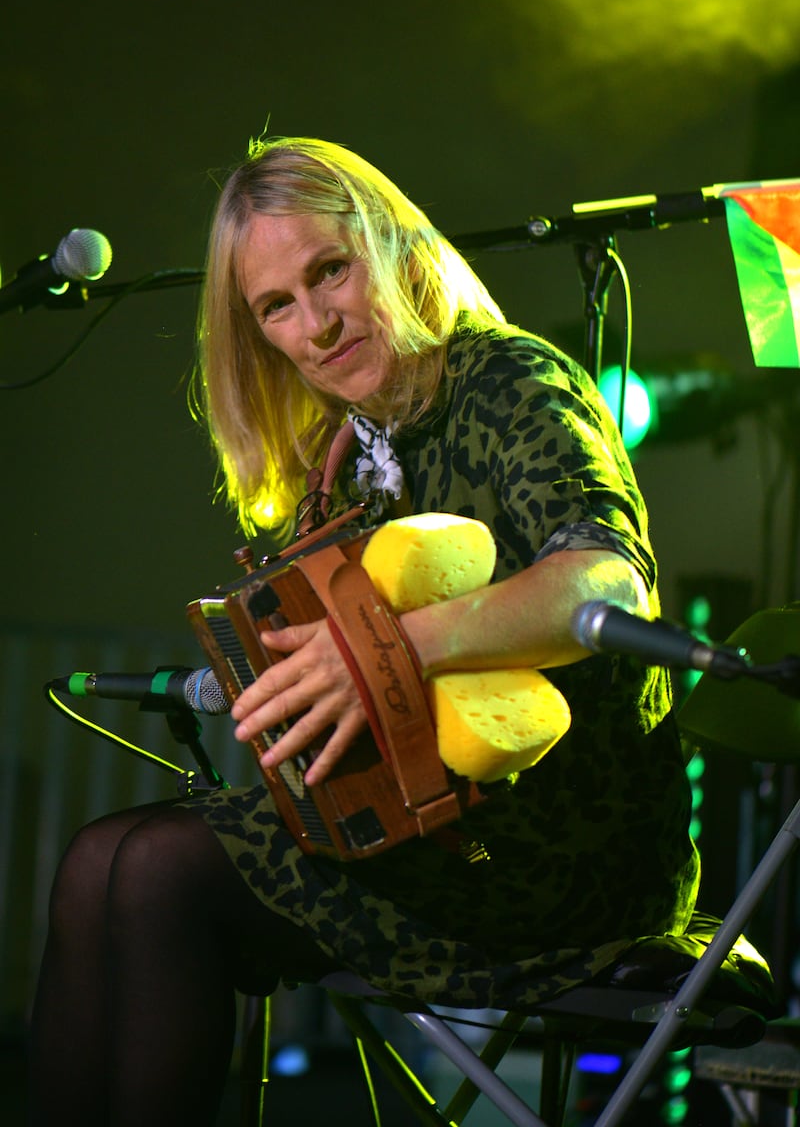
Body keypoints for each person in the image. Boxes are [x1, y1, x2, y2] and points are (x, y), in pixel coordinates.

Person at [28, 136, 699, 1126]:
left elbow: (607, 584)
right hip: (423, 832)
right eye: (276, 307)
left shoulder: (508, 379)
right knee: (100, 861)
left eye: (329, 272)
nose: (316, 324)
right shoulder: (349, 446)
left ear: (388, 244)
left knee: (159, 874)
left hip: (561, 856)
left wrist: (382, 654)